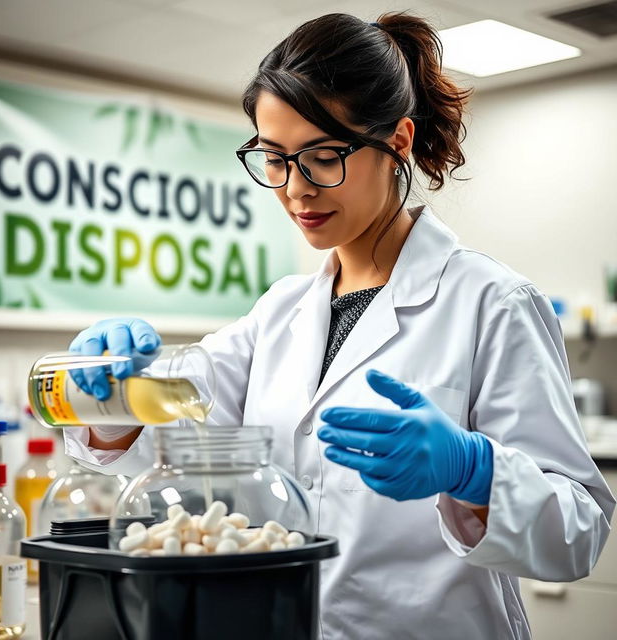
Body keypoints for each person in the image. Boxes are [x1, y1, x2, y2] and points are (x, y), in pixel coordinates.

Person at [64, 12, 614, 640]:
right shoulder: (280, 312)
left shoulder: (492, 302)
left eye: (324, 157)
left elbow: (578, 532)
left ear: (399, 141)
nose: (296, 188)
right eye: (275, 159)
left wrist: (475, 471)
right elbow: (172, 414)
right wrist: (106, 384)